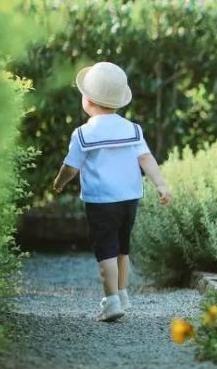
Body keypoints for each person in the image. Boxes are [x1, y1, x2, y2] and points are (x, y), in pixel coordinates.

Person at [52, 62, 171, 322]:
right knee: (122, 249)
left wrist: (59, 182)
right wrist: (160, 183)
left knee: (105, 251)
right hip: (129, 199)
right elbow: (146, 158)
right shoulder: (132, 129)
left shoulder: (84, 133)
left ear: (89, 101)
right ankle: (122, 293)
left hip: (101, 202)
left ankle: (112, 302)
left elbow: (71, 167)